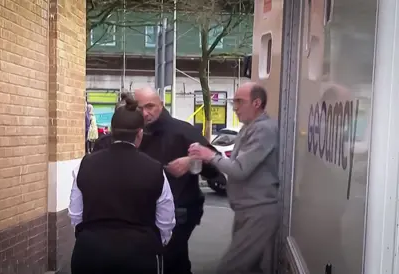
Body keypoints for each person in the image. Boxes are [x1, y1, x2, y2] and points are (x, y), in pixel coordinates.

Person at [68, 97, 176, 274]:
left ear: (112, 131)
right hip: (138, 255)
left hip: (90, 253)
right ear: (139, 133)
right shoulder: (155, 169)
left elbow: (75, 214)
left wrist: (87, 238)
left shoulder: (85, 164)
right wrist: (153, 243)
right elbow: (166, 221)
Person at [188, 82, 280, 274]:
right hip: (247, 210)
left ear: (257, 103)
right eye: (234, 102)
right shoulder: (250, 127)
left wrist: (210, 155)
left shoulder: (263, 129)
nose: (235, 107)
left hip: (258, 211)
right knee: (251, 268)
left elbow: (239, 169)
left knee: (231, 268)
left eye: (239, 101)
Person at [134, 87, 220, 274]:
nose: (145, 113)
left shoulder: (182, 131)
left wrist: (191, 162)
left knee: (173, 260)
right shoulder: (136, 133)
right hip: (147, 212)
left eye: (150, 106)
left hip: (180, 211)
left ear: (161, 105)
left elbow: (216, 163)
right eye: (140, 108)